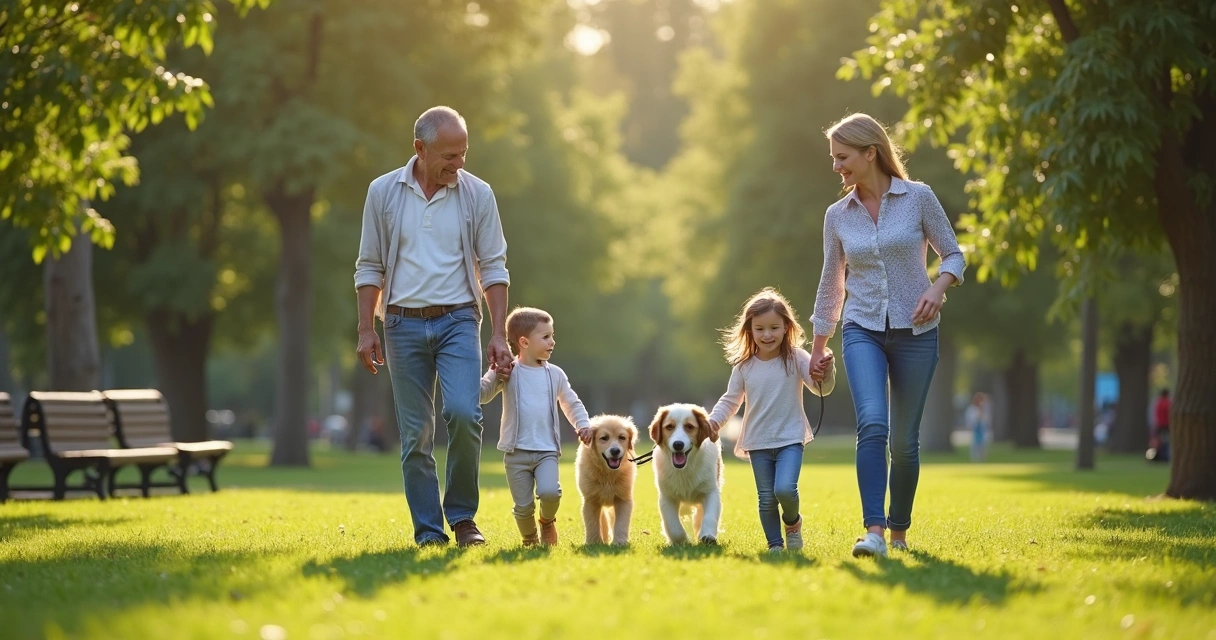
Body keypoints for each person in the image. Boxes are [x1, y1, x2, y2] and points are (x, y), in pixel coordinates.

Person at [354, 106, 513, 548]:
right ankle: (428, 531)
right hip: (402, 324)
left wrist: (499, 333)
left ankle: (463, 518)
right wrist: (367, 329)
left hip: (459, 319)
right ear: (419, 149)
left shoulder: (477, 194)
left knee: (464, 412)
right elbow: (369, 266)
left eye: (463, 154)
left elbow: (494, 268)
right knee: (415, 434)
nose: (458, 164)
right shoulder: (382, 192)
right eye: (449, 155)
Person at [808, 113, 966, 558]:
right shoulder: (837, 216)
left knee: (905, 442)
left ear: (870, 152)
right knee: (873, 424)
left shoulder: (918, 198)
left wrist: (938, 289)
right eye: (834, 158)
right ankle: (874, 531)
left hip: (917, 332)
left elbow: (953, 254)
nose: (837, 167)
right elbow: (830, 283)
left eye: (843, 157)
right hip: (862, 329)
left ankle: (899, 531)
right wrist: (818, 348)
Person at [707, 288, 836, 553]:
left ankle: (793, 522)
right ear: (749, 330)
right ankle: (775, 545)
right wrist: (713, 423)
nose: (767, 335)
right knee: (766, 498)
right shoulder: (743, 366)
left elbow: (819, 386)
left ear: (787, 327)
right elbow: (731, 400)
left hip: (790, 438)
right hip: (758, 441)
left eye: (774, 328)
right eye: (760, 328)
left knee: (785, 489)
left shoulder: (796, 358)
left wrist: (827, 369)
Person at [480, 307, 592, 546]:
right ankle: (529, 538)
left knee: (551, 492)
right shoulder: (509, 371)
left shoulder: (555, 374)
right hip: (516, 452)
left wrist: (583, 425)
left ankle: (546, 521)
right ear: (524, 341)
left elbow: (571, 402)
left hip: (546, 451)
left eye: (552, 335)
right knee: (522, 507)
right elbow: (481, 395)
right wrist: (494, 374)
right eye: (546, 337)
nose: (552, 341)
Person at [965, 392, 992, 462]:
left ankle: (982, 459)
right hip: (975, 429)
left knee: (983, 445)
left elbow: (987, 419)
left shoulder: (985, 409)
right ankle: (975, 460)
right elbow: (970, 420)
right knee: (974, 445)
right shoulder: (972, 409)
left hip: (982, 429)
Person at [1151, 388, 1171, 463]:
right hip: (1166, 425)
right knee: (1166, 441)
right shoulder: (1167, 403)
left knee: (1158, 442)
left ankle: (1158, 456)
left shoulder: (1158, 402)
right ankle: (1165, 457)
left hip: (1159, 425)